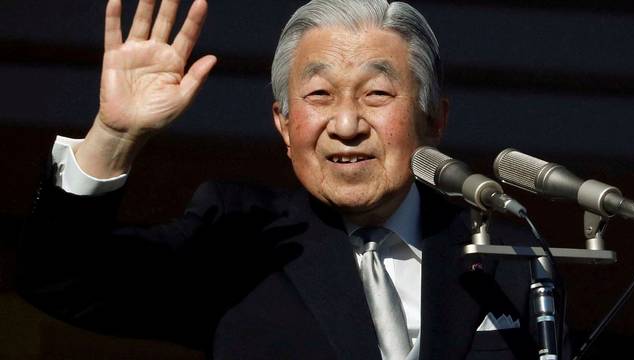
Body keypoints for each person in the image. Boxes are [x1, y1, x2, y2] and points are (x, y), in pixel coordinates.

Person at [18, 0, 569, 359]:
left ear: (435, 120)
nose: (347, 125)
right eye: (319, 96)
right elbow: (64, 282)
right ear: (284, 123)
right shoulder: (238, 238)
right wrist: (113, 136)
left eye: (377, 94)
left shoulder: (507, 258)